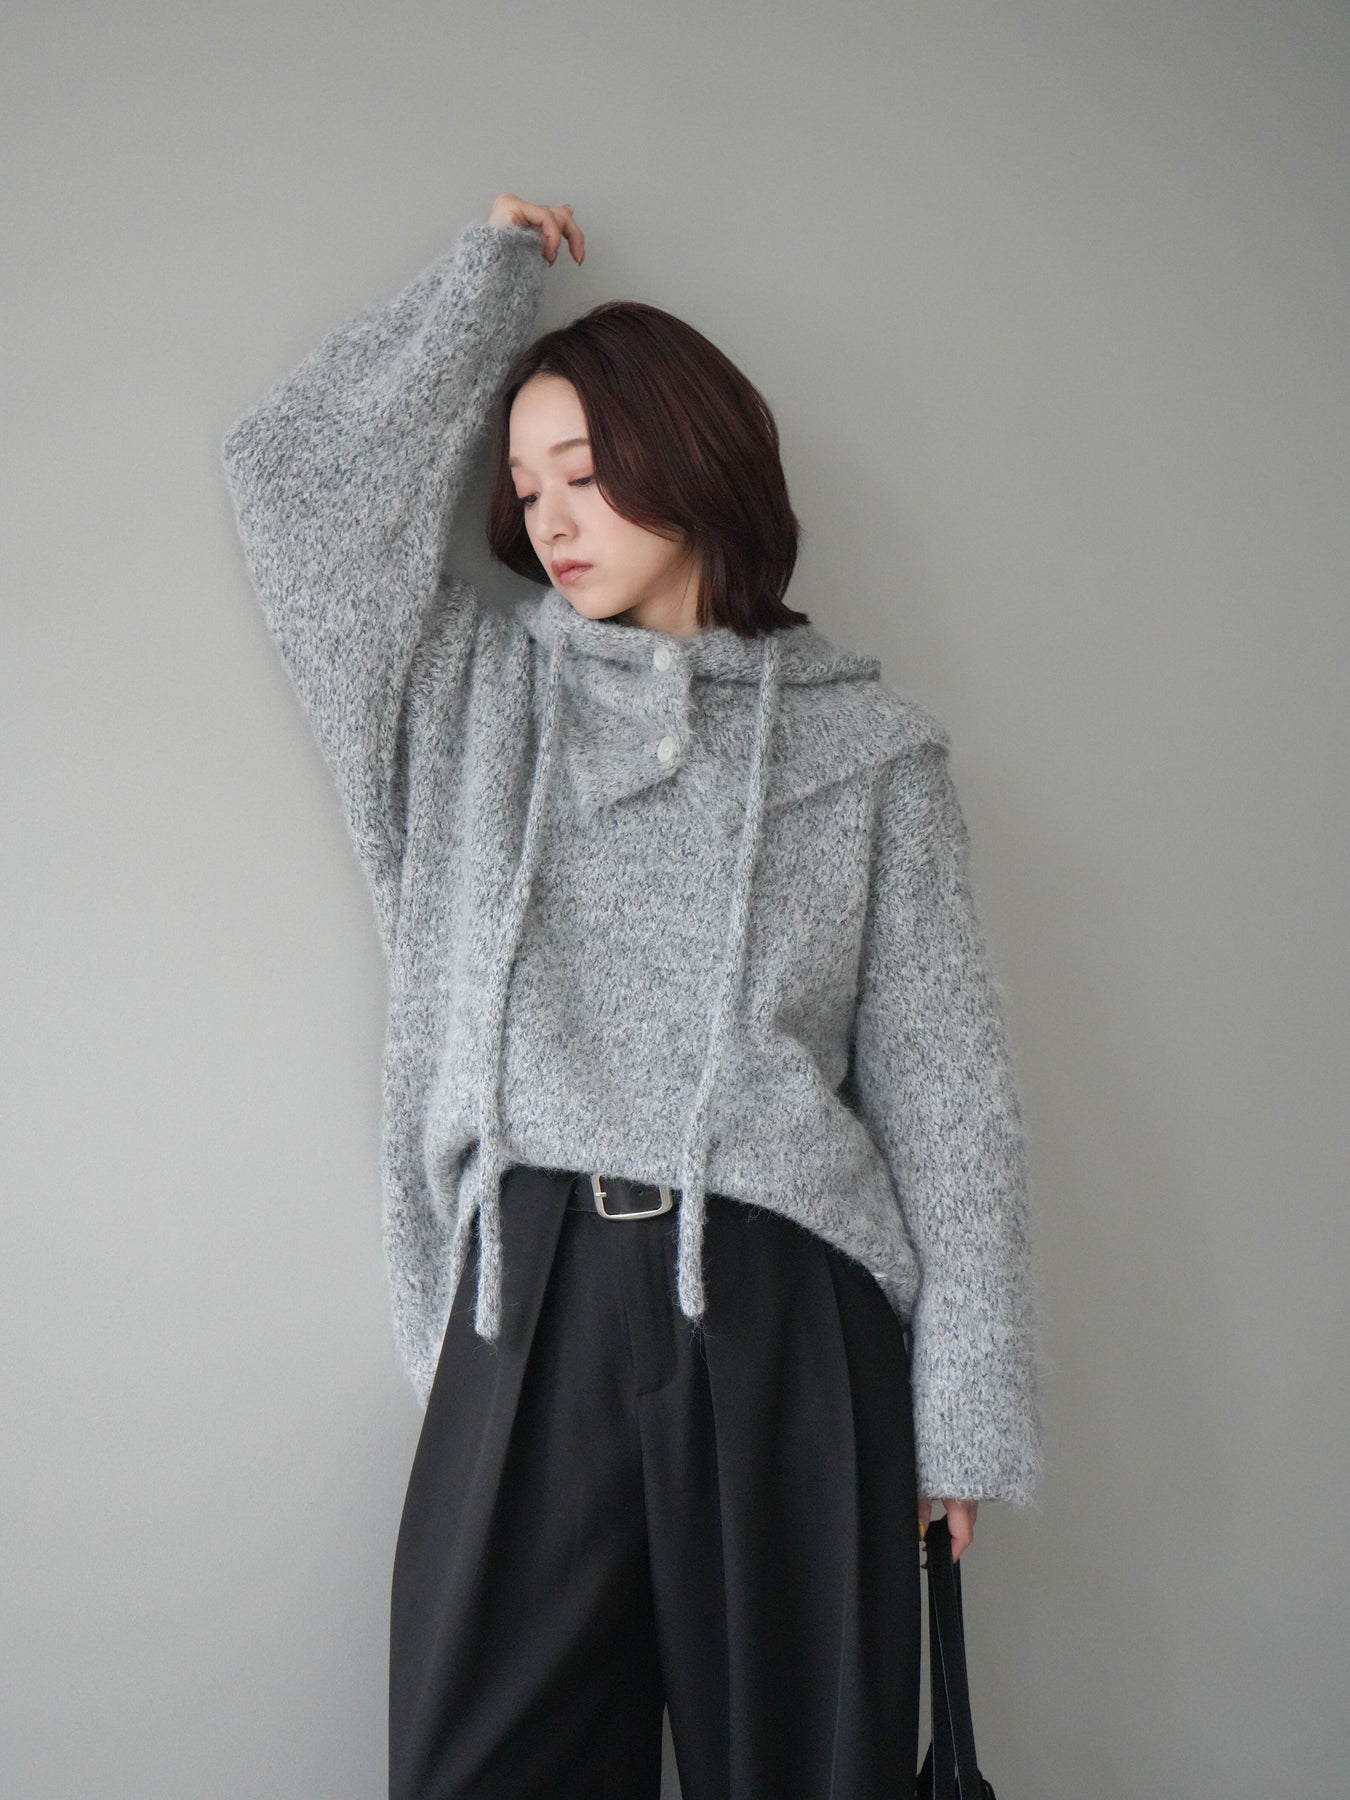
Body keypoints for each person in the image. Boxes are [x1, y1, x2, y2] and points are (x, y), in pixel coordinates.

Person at [220, 190, 1044, 1800]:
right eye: (525, 488)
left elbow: (949, 1103)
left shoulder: (871, 756)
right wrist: (482, 290)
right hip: (520, 1312)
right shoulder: (459, 699)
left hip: (788, 1320)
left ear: (695, 455)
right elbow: (292, 489)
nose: (550, 519)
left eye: (584, 472)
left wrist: (959, 1412)